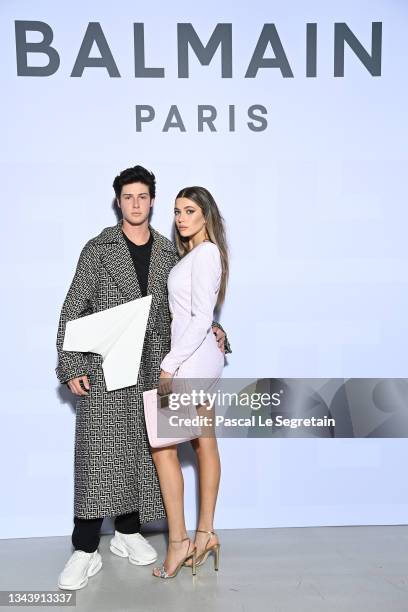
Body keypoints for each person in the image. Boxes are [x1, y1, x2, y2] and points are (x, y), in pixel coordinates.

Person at [56, 166, 230, 590]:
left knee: (141, 453)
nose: (136, 203)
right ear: (119, 201)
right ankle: (84, 548)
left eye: (143, 196)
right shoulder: (98, 249)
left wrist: (216, 331)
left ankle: (128, 532)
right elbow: (72, 307)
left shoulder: (172, 253)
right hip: (108, 365)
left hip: (158, 365)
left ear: (152, 201)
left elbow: (193, 308)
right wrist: (71, 364)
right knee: (98, 455)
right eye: (128, 197)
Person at [151, 186, 228, 579]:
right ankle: (205, 534)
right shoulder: (195, 255)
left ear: (205, 215)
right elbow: (198, 316)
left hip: (189, 363)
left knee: (164, 448)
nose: (181, 218)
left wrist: (169, 365)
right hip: (197, 359)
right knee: (203, 444)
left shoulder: (208, 252)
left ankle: (183, 540)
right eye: (177, 211)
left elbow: (200, 318)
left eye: (190, 210)